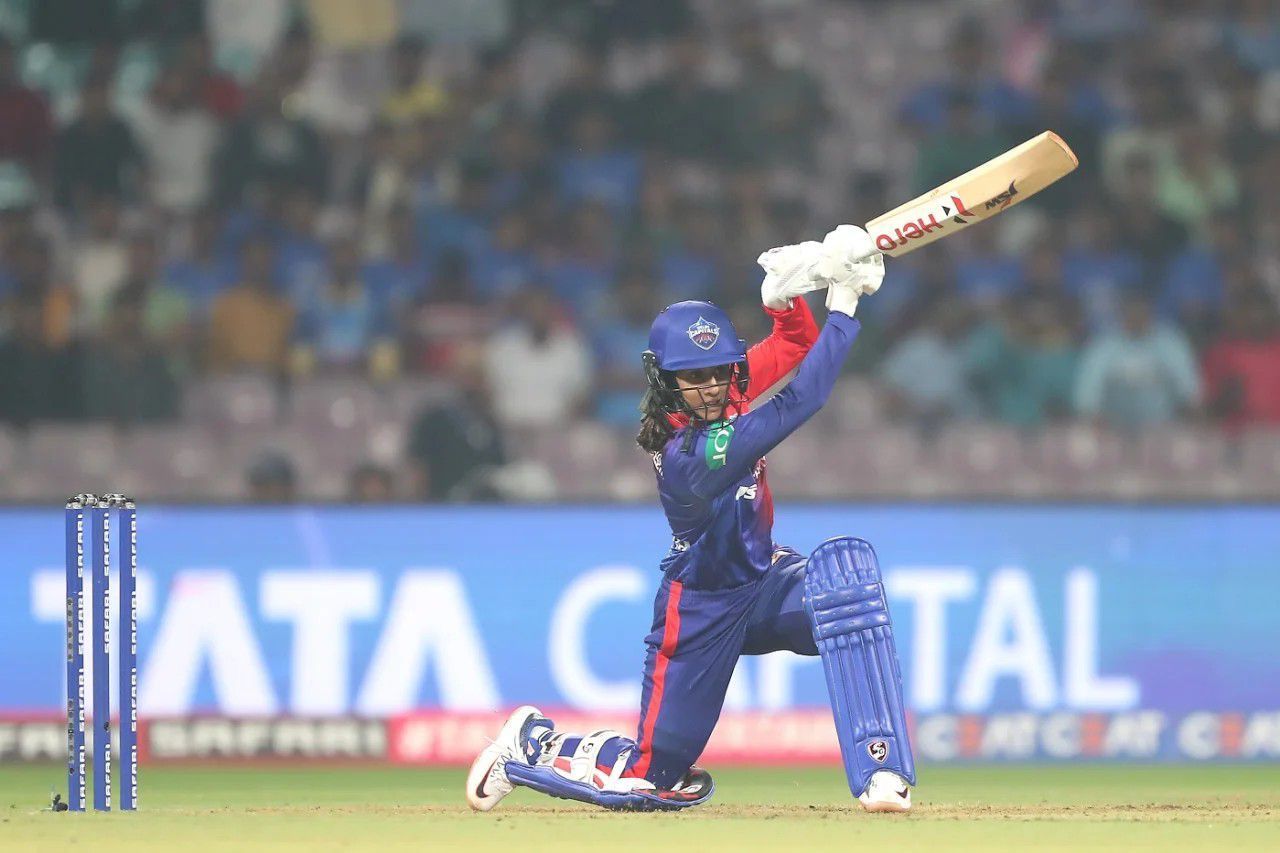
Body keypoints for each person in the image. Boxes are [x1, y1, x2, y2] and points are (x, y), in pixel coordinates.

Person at [466, 225, 915, 813]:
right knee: (651, 778)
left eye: (717, 372)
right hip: (700, 608)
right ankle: (532, 741)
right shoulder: (690, 456)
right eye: (692, 377)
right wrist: (845, 302)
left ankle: (881, 769)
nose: (708, 388)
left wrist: (782, 299)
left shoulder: (725, 388)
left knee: (846, 590)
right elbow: (802, 398)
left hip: (764, 581)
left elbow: (793, 349)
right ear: (665, 380)